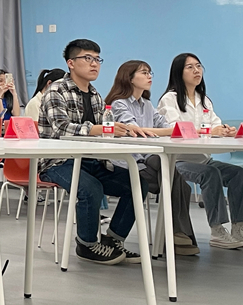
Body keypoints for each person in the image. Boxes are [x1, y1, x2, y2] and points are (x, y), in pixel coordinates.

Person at [38, 39, 148, 266]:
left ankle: (113, 239)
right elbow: (61, 129)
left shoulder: (95, 95)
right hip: (58, 161)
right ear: (70, 63)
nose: (94, 64)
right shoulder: (56, 91)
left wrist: (121, 132)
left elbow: (102, 134)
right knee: (90, 188)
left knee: (138, 184)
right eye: (87, 58)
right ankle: (86, 245)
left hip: (91, 160)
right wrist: (101, 129)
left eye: (97, 59)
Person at [104, 60, 199, 255]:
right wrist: (162, 130)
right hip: (127, 162)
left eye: (150, 72)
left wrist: (167, 130)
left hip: (148, 160)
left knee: (175, 177)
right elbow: (135, 130)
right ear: (130, 78)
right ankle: (177, 235)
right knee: (175, 179)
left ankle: (176, 235)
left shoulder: (147, 105)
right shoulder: (119, 104)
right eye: (144, 72)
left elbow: (167, 127)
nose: (149, 77)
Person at [157, 53, 243, 249]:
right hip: (177, 161)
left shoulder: (203, 99)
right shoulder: (170, 99)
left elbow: (215, 124)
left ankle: (239, 227)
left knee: (238, 174)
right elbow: (174, 128)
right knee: (210, 174)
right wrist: (210, 131)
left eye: (198, 66)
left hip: (203, 159)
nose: (196, 71)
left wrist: (225, 131)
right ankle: (217, 230)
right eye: (190, 67)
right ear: (179, 72)